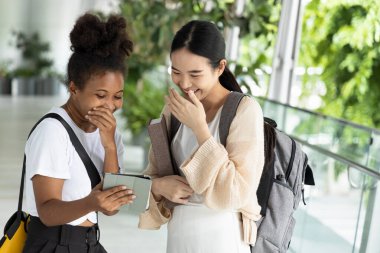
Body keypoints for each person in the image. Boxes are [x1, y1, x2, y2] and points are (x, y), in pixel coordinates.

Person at [139, 20, 265, 253]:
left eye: (195, 74)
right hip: (179, 237)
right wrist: (159, 186)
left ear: (220, 68)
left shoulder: (245, 111)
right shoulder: (172, 111)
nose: (184, 84)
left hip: (223, 238)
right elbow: (152, 176)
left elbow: (238, 192)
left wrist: (200, 129)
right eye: (175, 72)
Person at [23, 13, 134, 253]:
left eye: (117, 96)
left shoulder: (110, 134)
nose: (110, 105)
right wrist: (90, 202)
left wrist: (110, 147)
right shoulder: (52, 131)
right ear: (74, 87)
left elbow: (111, 209)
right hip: (53, 244)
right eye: (100, 95)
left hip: (88, 242)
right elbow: (48, 213)